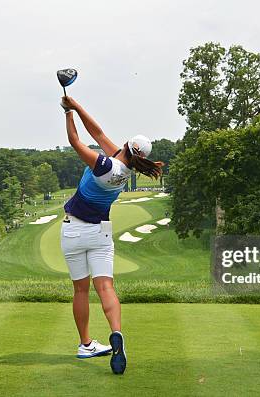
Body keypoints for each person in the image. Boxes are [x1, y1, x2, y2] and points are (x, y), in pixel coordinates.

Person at [59, 96, 163, 375]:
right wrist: (77, 106)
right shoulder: (124, 168)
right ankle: (115, 333)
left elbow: (76, 142)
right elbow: (99, 133)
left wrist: (68, 114)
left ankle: (85, 344)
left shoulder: (105, 165)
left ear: (129, 146)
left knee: (81, 289)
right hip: (100, 234)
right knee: (105, 288)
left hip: (73, 229)